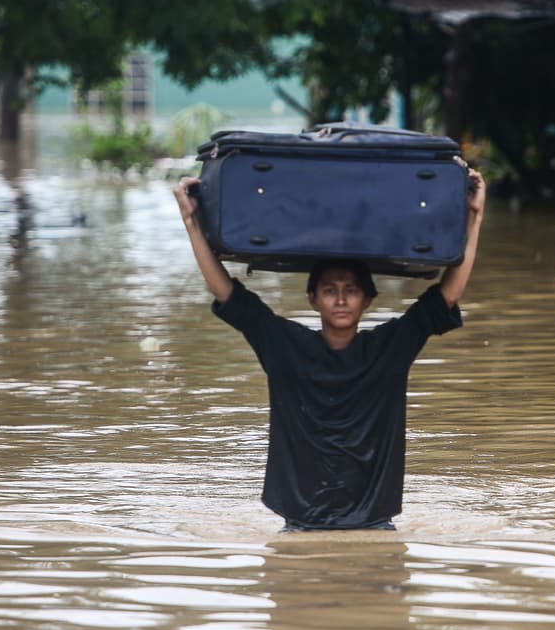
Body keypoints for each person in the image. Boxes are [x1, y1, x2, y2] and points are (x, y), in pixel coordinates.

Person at [173, 166, 486, 531]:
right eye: (329, 290)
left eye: (350, 290)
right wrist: (191, 221)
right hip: (301, 524)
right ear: (312, 298)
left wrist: (474, 216)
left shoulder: (391, 347)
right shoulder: (284, 345)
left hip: (374, 525)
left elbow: (447, 294)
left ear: (367, 299)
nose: (340, 299)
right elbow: (225, 290)